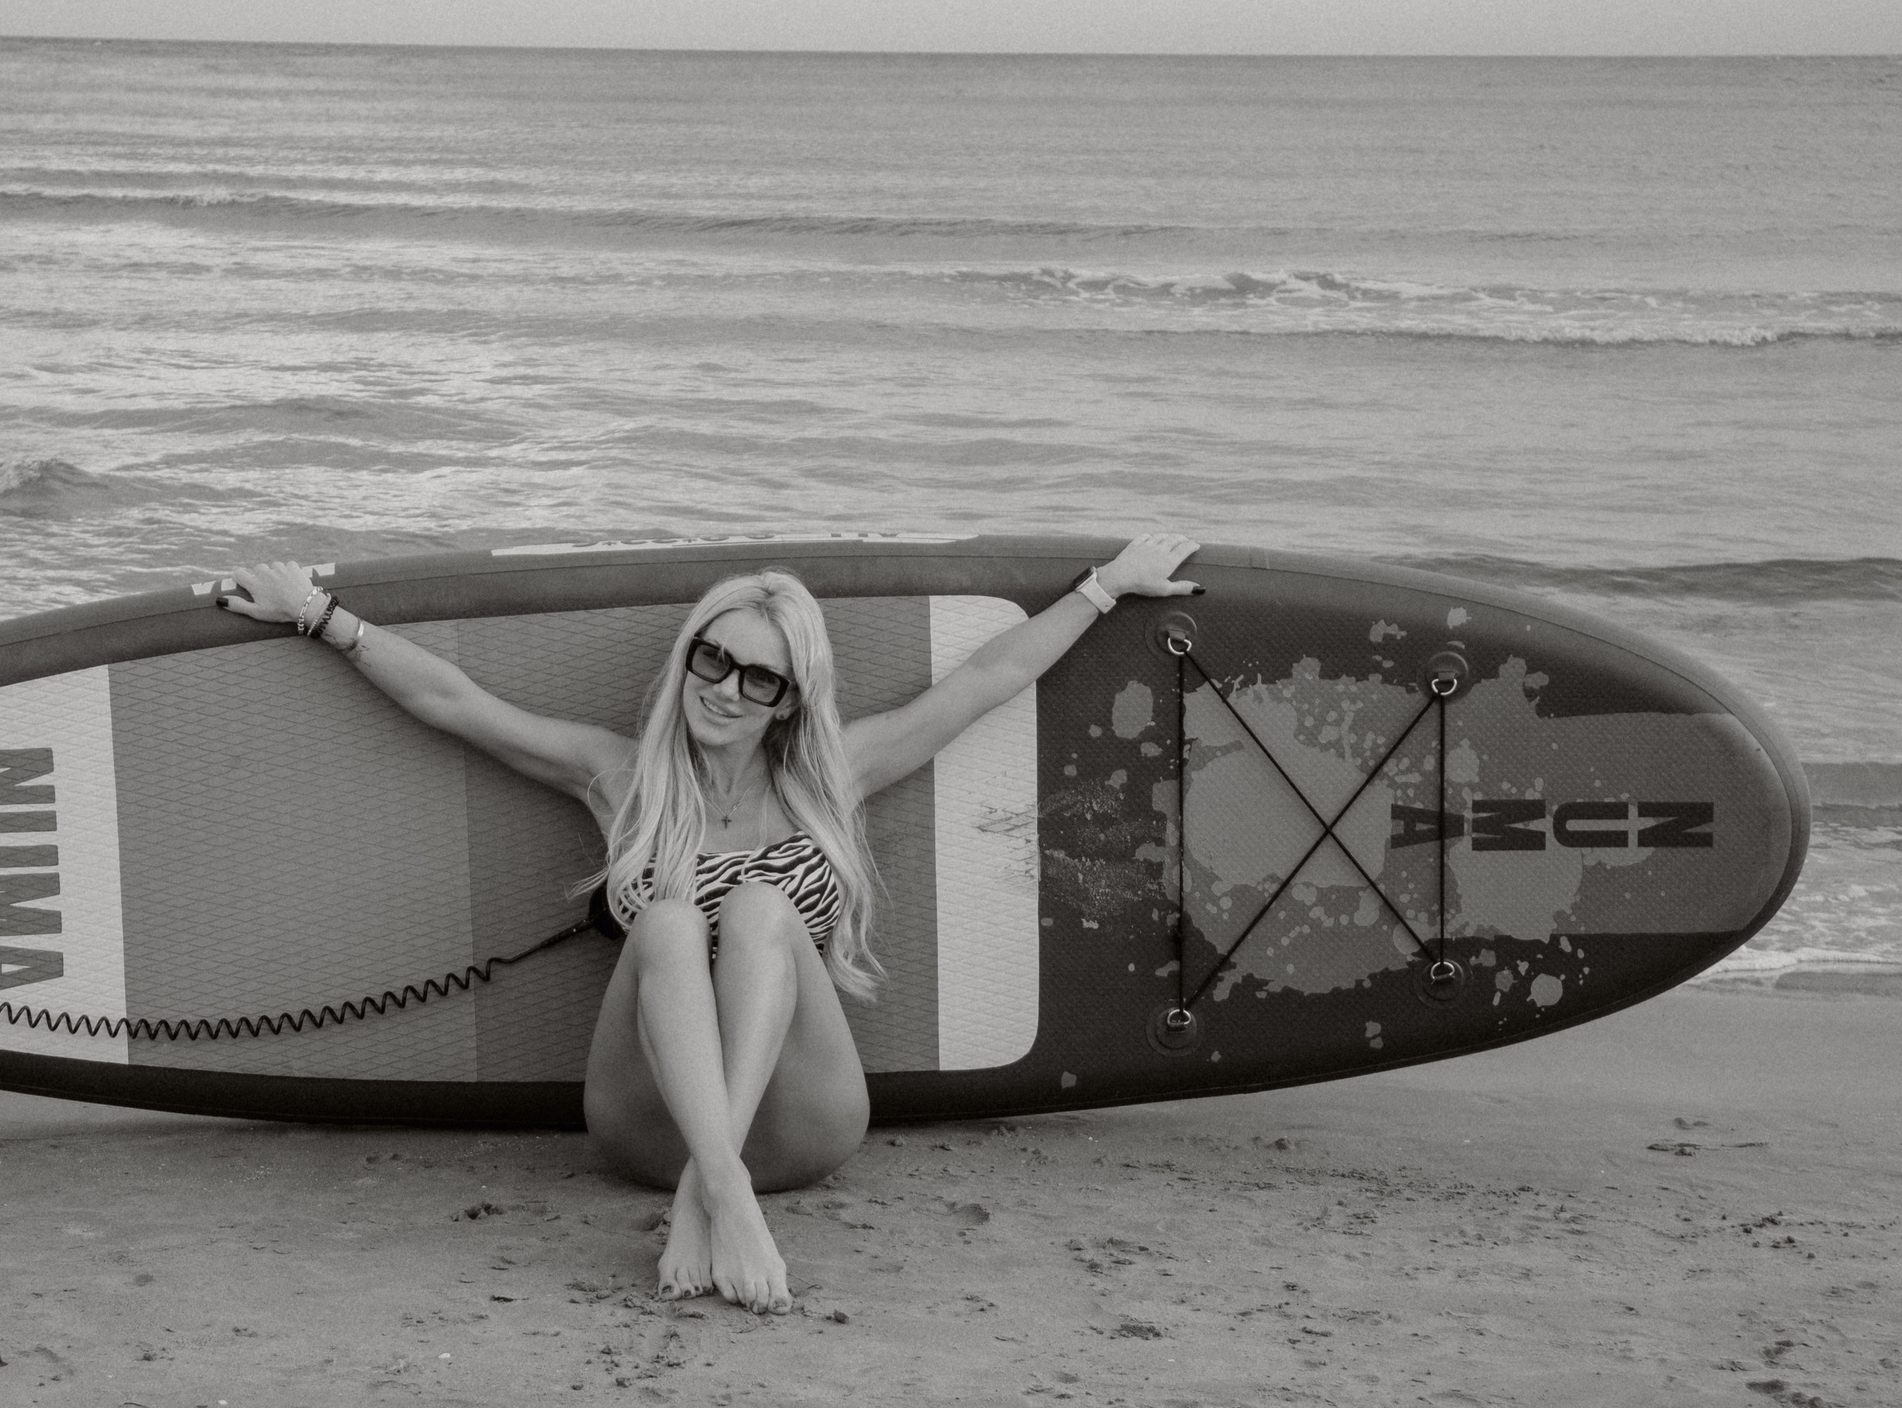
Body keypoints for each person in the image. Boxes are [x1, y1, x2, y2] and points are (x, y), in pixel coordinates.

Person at [224, 533, 1201, 1313]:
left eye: (757, 679)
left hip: (804, 1122)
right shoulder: (623, 780)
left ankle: (715, 1189)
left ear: (788, 701)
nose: (725, 689)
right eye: (713, 658)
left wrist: (1107, 587)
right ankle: (719, 1188)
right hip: (650, 1132)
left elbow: (986, 680)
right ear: (689, 655)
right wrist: (315, 612)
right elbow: (455, 703)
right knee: (668, 923)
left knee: (759, 906)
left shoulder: (831, 775)